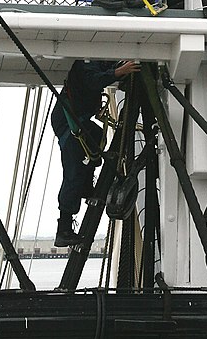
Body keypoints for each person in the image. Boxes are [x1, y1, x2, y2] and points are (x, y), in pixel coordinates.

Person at [51, 59, 140, 247]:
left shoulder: (96, 63)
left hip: (79, 119)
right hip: (69, 123)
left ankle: (85, 187)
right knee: (73, 172)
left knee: (96, 143)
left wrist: (119, 69)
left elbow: (103, 70)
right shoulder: (84, 65)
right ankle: (63, 230)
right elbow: (93, 80)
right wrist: (118, 72)